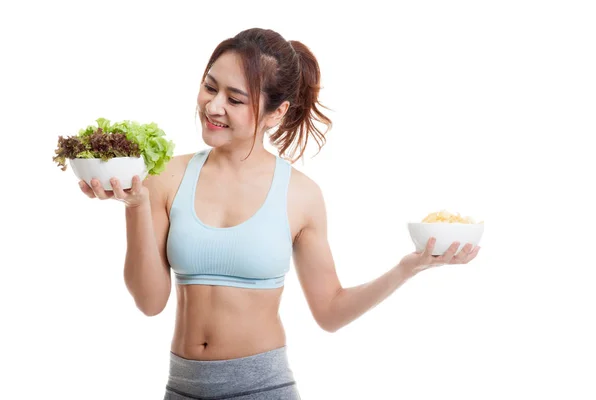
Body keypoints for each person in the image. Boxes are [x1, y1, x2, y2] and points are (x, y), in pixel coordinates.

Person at [78, 27, 481, 399]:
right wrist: (135, 206)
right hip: (182, 388)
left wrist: (406, 269)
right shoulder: (166, 175)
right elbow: (149, 302)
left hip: (264, 389)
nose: (213, 106)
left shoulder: (300, 196)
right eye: (209, 87)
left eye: (235, 99)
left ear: (276, 112)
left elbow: (330, 312)